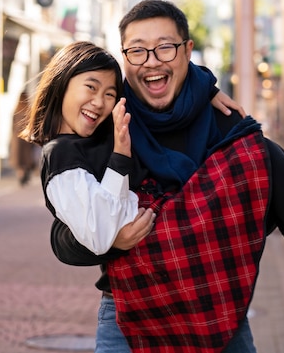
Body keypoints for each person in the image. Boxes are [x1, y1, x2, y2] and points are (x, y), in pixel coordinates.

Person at [48, 0, 284, 353]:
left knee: (263, 150)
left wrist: (205, 228)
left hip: (218, 308)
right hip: (131, 312)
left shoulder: (223, 120)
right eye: (138, 50)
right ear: (124, 57)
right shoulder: (109, 123)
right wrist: (115, 239)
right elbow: (63, 235)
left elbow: (260, 204)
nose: (151, 61)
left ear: (187, 50)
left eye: (165, 48)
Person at [23, 40, 242, 256]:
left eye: (109, 94)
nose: (99, 102)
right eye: (91, 87)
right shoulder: (60, 153)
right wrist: (120, 156)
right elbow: (99, 233)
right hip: (140, 276)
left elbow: (153, 87)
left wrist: (208, 90)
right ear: (62, 82)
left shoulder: (105, 133)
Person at [9, 92, 38, 186]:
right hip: (26, 138)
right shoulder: (29, 111)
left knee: (19, 159)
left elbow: (12, 126)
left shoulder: (16, 111)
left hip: (17, 139)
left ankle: (21, 175)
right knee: (26, 158)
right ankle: (25, 175)